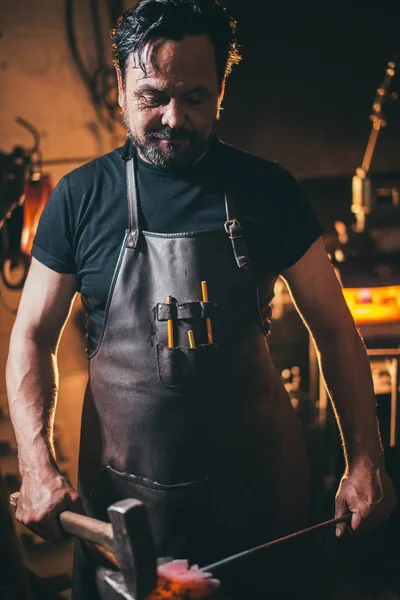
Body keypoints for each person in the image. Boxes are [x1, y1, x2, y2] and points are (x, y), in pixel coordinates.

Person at [6, 0, 396, 598]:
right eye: (153, 96)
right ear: (120, 85)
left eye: (195, 97)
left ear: (221, 88)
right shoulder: (79, 200)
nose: (173, 118)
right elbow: (31, 334)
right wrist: (37, 468)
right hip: (127, 515)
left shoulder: (269, 190)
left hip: (263, 508)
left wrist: (365, 458)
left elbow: (336, 326)